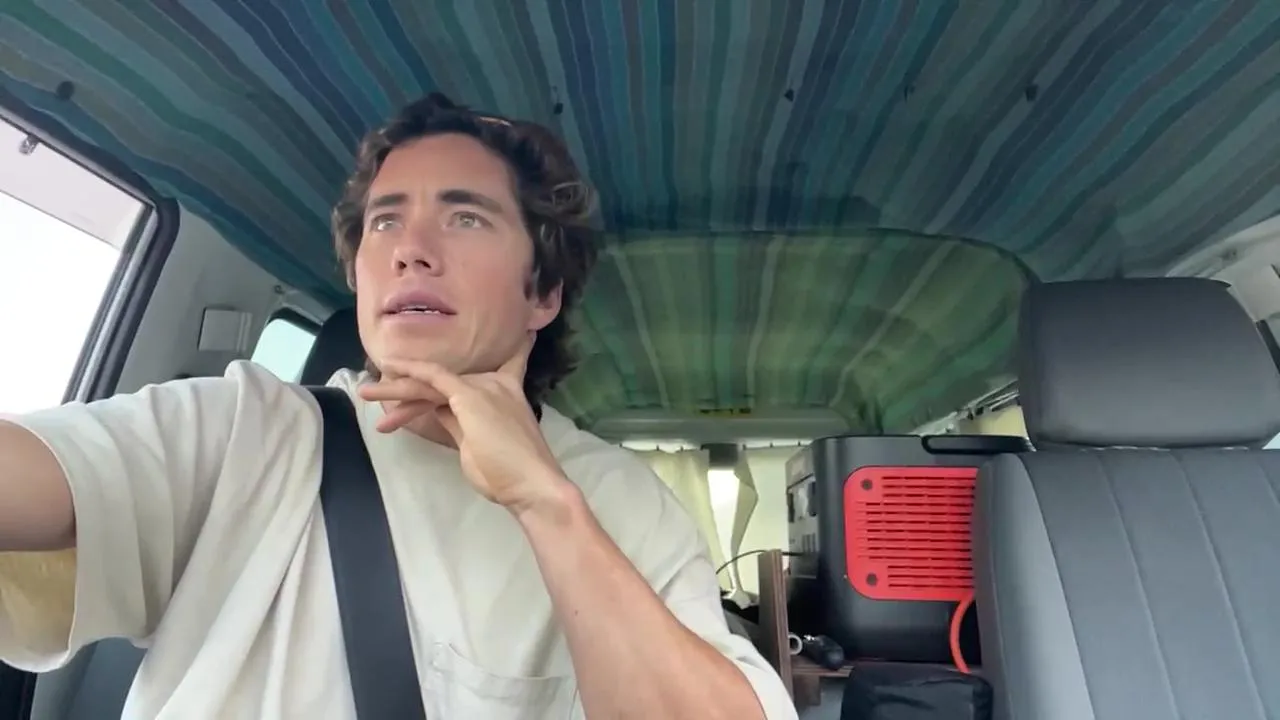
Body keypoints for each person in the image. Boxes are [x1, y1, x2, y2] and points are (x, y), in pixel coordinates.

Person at [0, 94, 795, 719]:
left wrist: (543, 502)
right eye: (385, 220)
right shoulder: (244, 429)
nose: (410, 249)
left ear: (544, 294)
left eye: (465, 217)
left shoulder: (624, 504)